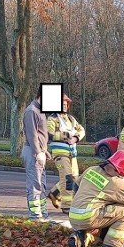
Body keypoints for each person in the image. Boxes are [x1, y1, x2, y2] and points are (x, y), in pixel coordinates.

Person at [68, 150, 124, 247]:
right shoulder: (116, 182)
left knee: (105, 211)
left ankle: (83, 238)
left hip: (73, 215)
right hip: (88, 216)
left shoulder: (91, 170)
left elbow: (77, 186)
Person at [46, 93, 86, 213]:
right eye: (61, 104)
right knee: (67, 178)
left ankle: (54, 194)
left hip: (72, 154)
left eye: (65, 104)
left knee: (74, 178)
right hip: (60, 153)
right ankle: (67, 206)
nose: (64, 106)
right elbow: (49, 134)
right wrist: (66, 136)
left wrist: (75, 138)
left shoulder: (71, 119)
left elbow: (81, 130)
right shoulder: (52, 119)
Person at [21, 85, 49, 221]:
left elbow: (40, 134)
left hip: (38, 152)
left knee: (41, 185)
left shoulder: (39, 110)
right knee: (35, 184)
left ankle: (42, 214)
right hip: (33, 152)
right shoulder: (31, 111)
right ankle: (35, 216)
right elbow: (32, 135)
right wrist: (38, 153)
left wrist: (44, 151)